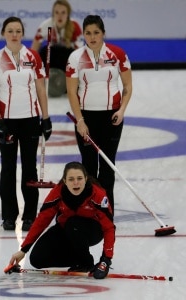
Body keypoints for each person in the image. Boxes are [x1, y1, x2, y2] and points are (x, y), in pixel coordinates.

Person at [0, 16, 52, 231]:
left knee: (29, 169)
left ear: (23, 34)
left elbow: (41, 89)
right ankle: (8, 216)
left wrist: (46, 118)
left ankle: (30, 217)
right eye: (10, 31)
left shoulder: (32, 57)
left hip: (31, 120)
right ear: (3, 33)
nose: (14, 34)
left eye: (18, 31)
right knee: (8, 169)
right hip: (7, 122)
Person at [66, 15, 132, 215]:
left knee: (107, 166)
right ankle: (88, 209)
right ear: (83, 35)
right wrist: (80, 120)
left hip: (112, 118)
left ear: (103, 33)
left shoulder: (117, 54)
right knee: (88, 167)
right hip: (86, 119)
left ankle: (106, 211)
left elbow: (128, 86)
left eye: (96, 32)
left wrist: (121, 111)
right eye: (88, 33)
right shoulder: (75, 57)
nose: (92, 37)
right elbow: (71, 91)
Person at [7, 161, 115, 280]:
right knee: (37, 259)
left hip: (93, 231)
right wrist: (23, 250)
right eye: (71, 179)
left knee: (73, 223)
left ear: (86, 178)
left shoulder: (98, 194)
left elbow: (109, 227)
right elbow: (41, 220)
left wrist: (105, 260)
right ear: (64, 181)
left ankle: (86, 262)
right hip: (68, 229)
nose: (75, 183)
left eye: (79, 178)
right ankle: (78, 258)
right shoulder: (57, 192)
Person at [31, 0, 84, 97]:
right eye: (57, 12)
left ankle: (70, 84)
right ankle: (41, 83)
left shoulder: (74, 26)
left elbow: (80, 54)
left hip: (67, 61)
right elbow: (34, 49)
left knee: (72, 55)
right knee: (44, 51)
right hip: (51, 59)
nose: (60, 16)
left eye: (63, 13)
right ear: (53, 13)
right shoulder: (46, 25)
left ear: (68, 14)